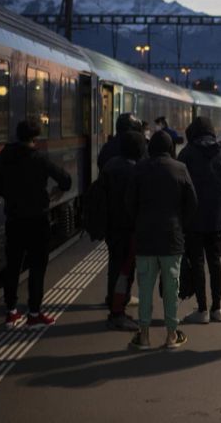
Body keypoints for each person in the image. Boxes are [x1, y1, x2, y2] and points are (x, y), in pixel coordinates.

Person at [0, 118, 72, 330]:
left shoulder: (5, 156)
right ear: (35, 138)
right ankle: (34, 314)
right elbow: (65, 180)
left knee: (13, 266)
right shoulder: (39, 159)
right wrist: (55, 192)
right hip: (37, 220)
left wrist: (10, 195)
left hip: (14, 219)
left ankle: (11, 312)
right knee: (37, 268)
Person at [126, 131, 198, 350]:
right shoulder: (180, 169)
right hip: (171, 239)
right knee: (171, 289)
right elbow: (192, 204)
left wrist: (138, 224)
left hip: (145, 239)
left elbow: (129, 204)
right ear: (170, 149)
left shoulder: (139, 169)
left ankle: (145, 336)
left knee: (145, 289)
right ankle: (171, 336)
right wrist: (179, 224)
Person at [177, 117, 221, 324]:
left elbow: (180, 187)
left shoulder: (186, 154)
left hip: (193, 220)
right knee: (215, 262)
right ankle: (217, 308)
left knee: (198, 263)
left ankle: (202, 310)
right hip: (217, 219)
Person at [100, 130, 145, 331]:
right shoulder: (135, 171)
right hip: (127, 229)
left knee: (115, 267)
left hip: (111, 227)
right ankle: (117, 313)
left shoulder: (110, 166)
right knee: (124, 272)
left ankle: (115, 304)